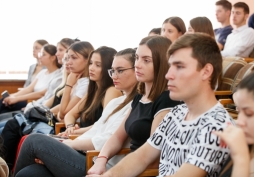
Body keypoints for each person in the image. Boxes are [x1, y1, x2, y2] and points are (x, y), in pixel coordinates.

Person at [87, 33, 234, 177]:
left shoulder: (217, 125)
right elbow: (141, 157)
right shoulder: (177, 112)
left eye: (180, 66)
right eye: (170, 66)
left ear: (206, 71)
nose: (168, 74)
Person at [12, 48, 137, 177]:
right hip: (83, 153)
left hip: (95, 163)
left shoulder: (135, 104)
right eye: (113, 71)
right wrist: (68, 137)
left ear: (137, 70)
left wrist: (65, 145)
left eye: (120, 71)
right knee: (29, 173)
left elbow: (104, 139)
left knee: (33, 141)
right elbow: (94, 129)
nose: (114, 76)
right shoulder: (116, 102)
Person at [87, 36, 182, 176]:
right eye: (137, 58)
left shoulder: (166, 100)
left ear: (161, 63)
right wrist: (101, 159)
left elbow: (153, 160)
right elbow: (118, 137)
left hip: (140, 172)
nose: (137, 64)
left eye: (146, 60)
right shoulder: (140, 96)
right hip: (126, 168)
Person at [213, 69, 254, 177]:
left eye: (249, 113)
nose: (240, 122)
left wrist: (241, 159)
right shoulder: (243, 147)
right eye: (239, 111)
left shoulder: (240, 151)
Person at [0, 44, 62, 114]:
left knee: (5, 109)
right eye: (40, 54)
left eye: (43, 54)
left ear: (53, 58)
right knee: (3, 102)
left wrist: (16, 98)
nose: (40, 57)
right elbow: (29, 89)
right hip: (31, 101)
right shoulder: (42, 72)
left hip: (34, 101)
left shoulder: (58, 75)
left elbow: (41, 94)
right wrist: (13, 95)